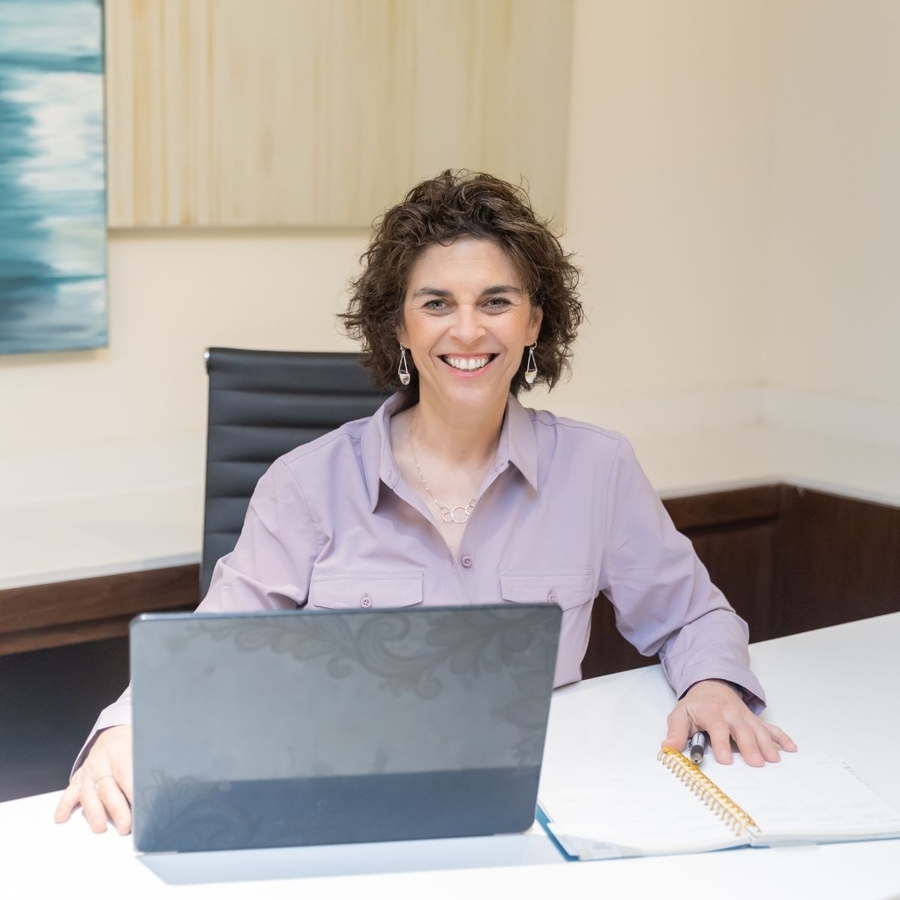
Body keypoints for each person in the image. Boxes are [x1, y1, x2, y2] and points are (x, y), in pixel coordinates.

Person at [55, 170, 795, 835]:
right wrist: (125, 731)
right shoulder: (305, 483)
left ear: (534, 322)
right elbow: (210, 651)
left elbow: (691, 614)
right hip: (346, 807)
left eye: (496, 301)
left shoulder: (597, 470)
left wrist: (711, 683)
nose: (468, 330)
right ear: (400, 326)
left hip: (541, 809)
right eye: (437, 303)